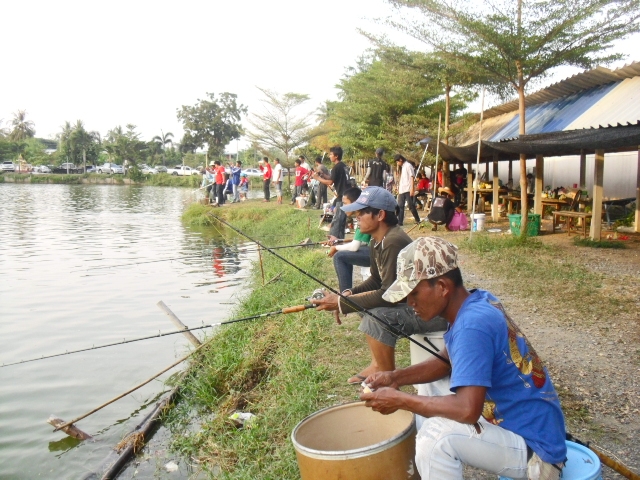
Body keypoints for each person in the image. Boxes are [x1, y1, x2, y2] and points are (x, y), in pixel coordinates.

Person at [360, 236, 567, 480]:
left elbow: (468, 409)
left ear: (443, 287)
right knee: (430, 387)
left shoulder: (472, 326)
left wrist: (400, 399)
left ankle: (431, 462)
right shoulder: (476, 302)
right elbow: (446, 362)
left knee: (437, 438)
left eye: (414, 292)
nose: (410, 302)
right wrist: (396, 377)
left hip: (538, 453)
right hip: (526, 426)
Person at [312, 187, 447, 384]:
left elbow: (390, 295)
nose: (356, 218)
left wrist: (342, 302)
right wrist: (349, 294)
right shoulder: (378, 240)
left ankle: (387, 376)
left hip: (435, 314)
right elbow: (376, 280)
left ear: (380, 215)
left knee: (376, 314)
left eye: (361, 213)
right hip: (416, 306)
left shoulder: (393, 241)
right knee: (364, 305)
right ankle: (377, 364)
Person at [326, 187, 371, 293]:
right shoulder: (364, 213)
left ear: (355, 202)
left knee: (339, 256)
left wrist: (336, 247)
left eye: (345, 203)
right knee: (344, 253)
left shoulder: (362, 216)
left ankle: (344, 298)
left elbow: (354, 247)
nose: (343, 207)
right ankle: (347, 294)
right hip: (376, 249)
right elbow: (362, 241)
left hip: (379, 253)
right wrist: (339, 242)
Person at [314, 146, 349, 239]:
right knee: (341, 219)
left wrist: (318, 178)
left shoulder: (336, 167)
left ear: (336, 156)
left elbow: (330, 182)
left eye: (331, 154)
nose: (329, 156)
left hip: (343, 196)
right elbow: (331, 178)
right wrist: (322, 174)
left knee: (338, 219)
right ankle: (340, 240)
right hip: (347, 194)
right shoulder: (343, 166)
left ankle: (333, 240)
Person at [394, 154, 421, 226]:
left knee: (411, 206)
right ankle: (400, 222)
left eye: (397, 162)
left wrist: (412, 188)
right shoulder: (403, 167)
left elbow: (412, 177)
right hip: (402, 189)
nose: (397, 163)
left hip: (408, 188)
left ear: (400, 160)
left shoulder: (408, 166)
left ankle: (417, 219)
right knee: (400, 206)